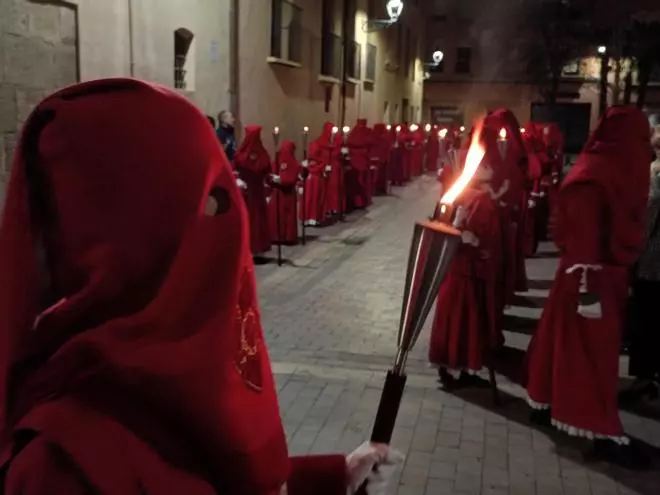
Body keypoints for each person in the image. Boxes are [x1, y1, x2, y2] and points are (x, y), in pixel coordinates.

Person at [0, 78, 404, 494]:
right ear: (136, 241)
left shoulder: (162, 378)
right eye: (208, 201)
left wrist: (334, 477)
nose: (228, 230)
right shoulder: (61, 469)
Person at [525, 106, 651, 469]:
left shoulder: (605, 171)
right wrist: (590, 295)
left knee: (559, 345)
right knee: (590, 358)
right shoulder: (594, 177)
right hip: (589, 280)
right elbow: (583, 241)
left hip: (594, 277)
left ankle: (545, 401)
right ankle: (599, 428)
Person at [430, 123, 505, 389]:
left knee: (466, 320)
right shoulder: (466, 197)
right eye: (486, 166)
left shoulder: (476, 196)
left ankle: (460, 366)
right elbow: (443, 224)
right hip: (463, 269)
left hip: (467, 268)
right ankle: (451, 366)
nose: (491, 170)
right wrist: (463, 235)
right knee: (459, 319)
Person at [624, 129, 660, 401]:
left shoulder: (655, 173)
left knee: (646, 317)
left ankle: (645, 377)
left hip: (652, 261)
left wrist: (632, 252)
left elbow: (648, 216)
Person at [234, 125, 273, 257]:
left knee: (254, 219)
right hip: (250, 191)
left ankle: (255, 248)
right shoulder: (260, 154)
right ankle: (251, 248)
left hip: (254, 190)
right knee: (252, 218)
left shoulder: (242, 153)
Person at [269, 140, 302, 245]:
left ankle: (287, 236)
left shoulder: (294, 164)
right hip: (278, 192)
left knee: (287, 215)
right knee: (278, 215)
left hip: (287, 192)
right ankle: (277, 236)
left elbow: (292, 179)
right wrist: (273, 179)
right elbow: (270, 174)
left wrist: (281, 180)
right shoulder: (277, 161)